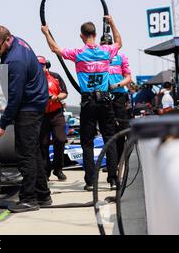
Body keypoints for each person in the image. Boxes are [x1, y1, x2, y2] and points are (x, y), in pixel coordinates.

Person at [42, 16, 121, 191]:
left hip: (88, 102)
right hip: (105, 100)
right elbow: (119, 42)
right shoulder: (106, 51)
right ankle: (114, 179)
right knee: (110, 139)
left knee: (87, 142)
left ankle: (91, 181)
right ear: (95, 33)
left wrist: (46, 33)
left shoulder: (79, 53)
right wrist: (112, 23)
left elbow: (55, 48)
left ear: (82, 36)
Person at [0, 25, 51, 212]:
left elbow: (15, 97)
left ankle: (29, 199)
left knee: (25, 154)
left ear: (7, 40)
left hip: (28, 107)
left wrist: (2, 125)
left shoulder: (15, 61)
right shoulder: (18, 41)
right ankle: (43, 195)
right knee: (33, 151)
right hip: (34, 103)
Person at [37, 56, 68, 181]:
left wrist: (56, 97)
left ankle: (58, 169)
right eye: (37, 66)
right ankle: (45, 171)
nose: (40, 68)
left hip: (56, 113)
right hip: (41, 115)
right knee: (43, 144)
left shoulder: (56, 76)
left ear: (47, 65)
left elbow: (65, 92)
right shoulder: (32, 79)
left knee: (60, 140)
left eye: (42, 65)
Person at [102, 37, 132, 161]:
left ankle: (121, 160)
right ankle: (112, 164)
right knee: (108, 131)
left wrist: (116, 85)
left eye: (109, 44)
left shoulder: (121, 58)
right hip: (104, 97)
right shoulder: (98, 58)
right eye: (103, 44)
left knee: (122, 130)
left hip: (119, 96)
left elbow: (128, 78)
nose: (107, 46)